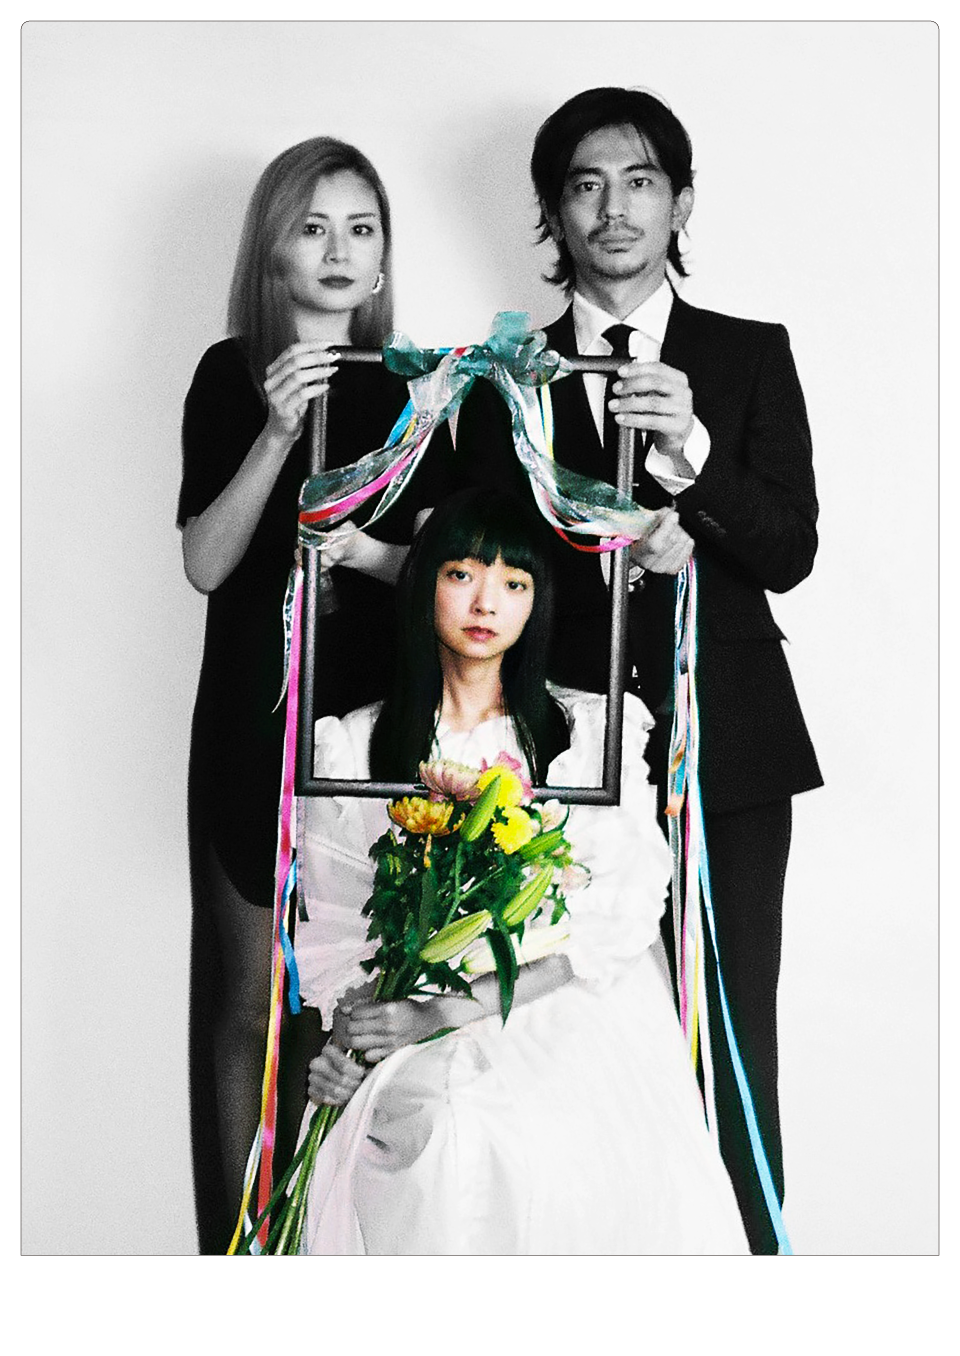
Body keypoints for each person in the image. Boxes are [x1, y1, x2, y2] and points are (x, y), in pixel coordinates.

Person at [453, 87, 822, 1253]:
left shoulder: (750, 355)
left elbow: (790, 548)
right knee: (562, 1041)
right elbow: (484, 574)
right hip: (560, 757)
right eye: (585, 185)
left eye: (641, 181)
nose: (613, 208)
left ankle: (751, 1286)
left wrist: (694, 471)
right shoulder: (502, 374)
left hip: (732, 750)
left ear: (681, 203)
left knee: (728, 1029)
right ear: (554, 214)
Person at [293, 488, 749, 1254]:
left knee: (536, 1141)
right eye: (461, 575)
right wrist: (351, 1037)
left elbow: (612, 921)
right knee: (442, 1134)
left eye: (513, 583)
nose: (486, 603)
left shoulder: (587, 735)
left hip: (563, 1003)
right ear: (422, 583)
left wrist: (447, 1013)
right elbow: (340, 928)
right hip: (414, 1016)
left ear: (537, 604)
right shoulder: (353, 746)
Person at [177, 136, 452, 1254]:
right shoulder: (230, 372)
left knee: (345, 1002)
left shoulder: (424, 389)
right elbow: (205, 562)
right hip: (253, 713)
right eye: (313, 226)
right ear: (274, 251)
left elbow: (455, 574)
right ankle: (240, 1263)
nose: (339, 250)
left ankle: (330, 1253)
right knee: (245, 1004)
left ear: (383, 260)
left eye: (362, 228)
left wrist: (372, 556)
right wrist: (279, 430)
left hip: (373, 732)